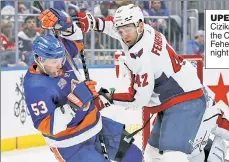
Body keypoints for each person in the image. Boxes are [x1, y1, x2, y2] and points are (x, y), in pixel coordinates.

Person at [74, 4, 229, 162]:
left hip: (184, 101)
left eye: (128, 29)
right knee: (153, 155)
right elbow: (115, 27)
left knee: (172, 157)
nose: (124, 34)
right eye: (121, 30)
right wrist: (92, 22)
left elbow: (138, 98)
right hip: (176, 99)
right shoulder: (146, 31)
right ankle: (225, 150)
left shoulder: (141, 57)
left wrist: (106, 95)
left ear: (139, 25)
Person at [23, 8, 142, 162]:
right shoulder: (35, 86)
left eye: (61, 61)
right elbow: (47, 126)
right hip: (71, 145)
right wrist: (76, 101)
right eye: (54, 62)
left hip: (98, 126)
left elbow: (77, 38)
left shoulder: (61, 60)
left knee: (134, 156)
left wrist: (65, 23)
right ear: (39, 59)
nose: (60, 66)